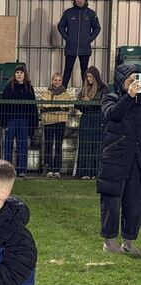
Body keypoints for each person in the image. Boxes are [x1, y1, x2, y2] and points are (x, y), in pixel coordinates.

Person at [98, 64, 141, 255]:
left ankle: (129, 240)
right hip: (114, 157)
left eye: (136, 78)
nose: (134, 82)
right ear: (121, 81)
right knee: (112, 200)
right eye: (130, 79)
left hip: (136, 158)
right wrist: (129, 96)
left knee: (134, 201)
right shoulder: (110, 97)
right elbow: (112, 115)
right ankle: (109, 241)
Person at [0, 65, 37, 177]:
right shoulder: (8, 87)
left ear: (25, 74)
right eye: (17, 72)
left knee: (23, 145)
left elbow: (33, 107)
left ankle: (22, 170)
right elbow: (3, 106)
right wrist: (3, 122)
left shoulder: (29, 88)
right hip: (11, 120)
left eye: (21, 72)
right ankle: (7, 170)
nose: (19, 74)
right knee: (8, 145)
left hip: (24, 121)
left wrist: (33, 123)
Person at [74, 66, 109, 179]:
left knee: (97, 145)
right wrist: (85, 103)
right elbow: (76, 104)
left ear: (95, 77)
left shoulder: (103, 88)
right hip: (86, 118)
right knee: (85, 145)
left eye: (90, 76)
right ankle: (85, 171)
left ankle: (95, 171)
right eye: (87, 77)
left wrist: (88, 101)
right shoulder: (84, 89)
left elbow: (104, 103)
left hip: (98, 119)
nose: (89, 79)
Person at [57, 0, 101, 88]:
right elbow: (60, 26)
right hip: (71, 48)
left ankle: (86, 91)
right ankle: (62, 91)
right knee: (67, 70)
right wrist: (68, 38)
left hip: (85, 48)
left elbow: (97, 28)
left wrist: (89, 39)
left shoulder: (91, 14)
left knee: (85, 71)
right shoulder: (68, 13)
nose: (79, 1)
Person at [40, 72, 72, 178]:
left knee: (58, 145)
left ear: (62, 81)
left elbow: (66, 107)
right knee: (48, 145)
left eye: (59, 80)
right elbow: (44, 105)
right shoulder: (46, 93)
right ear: (52, 80)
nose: (57, 82)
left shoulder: (66, 93)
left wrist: (52, 107)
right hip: (49, 122)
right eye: (55, 80)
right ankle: (48, 169)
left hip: (60, 121)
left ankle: (57, 169)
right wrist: (58, 107)